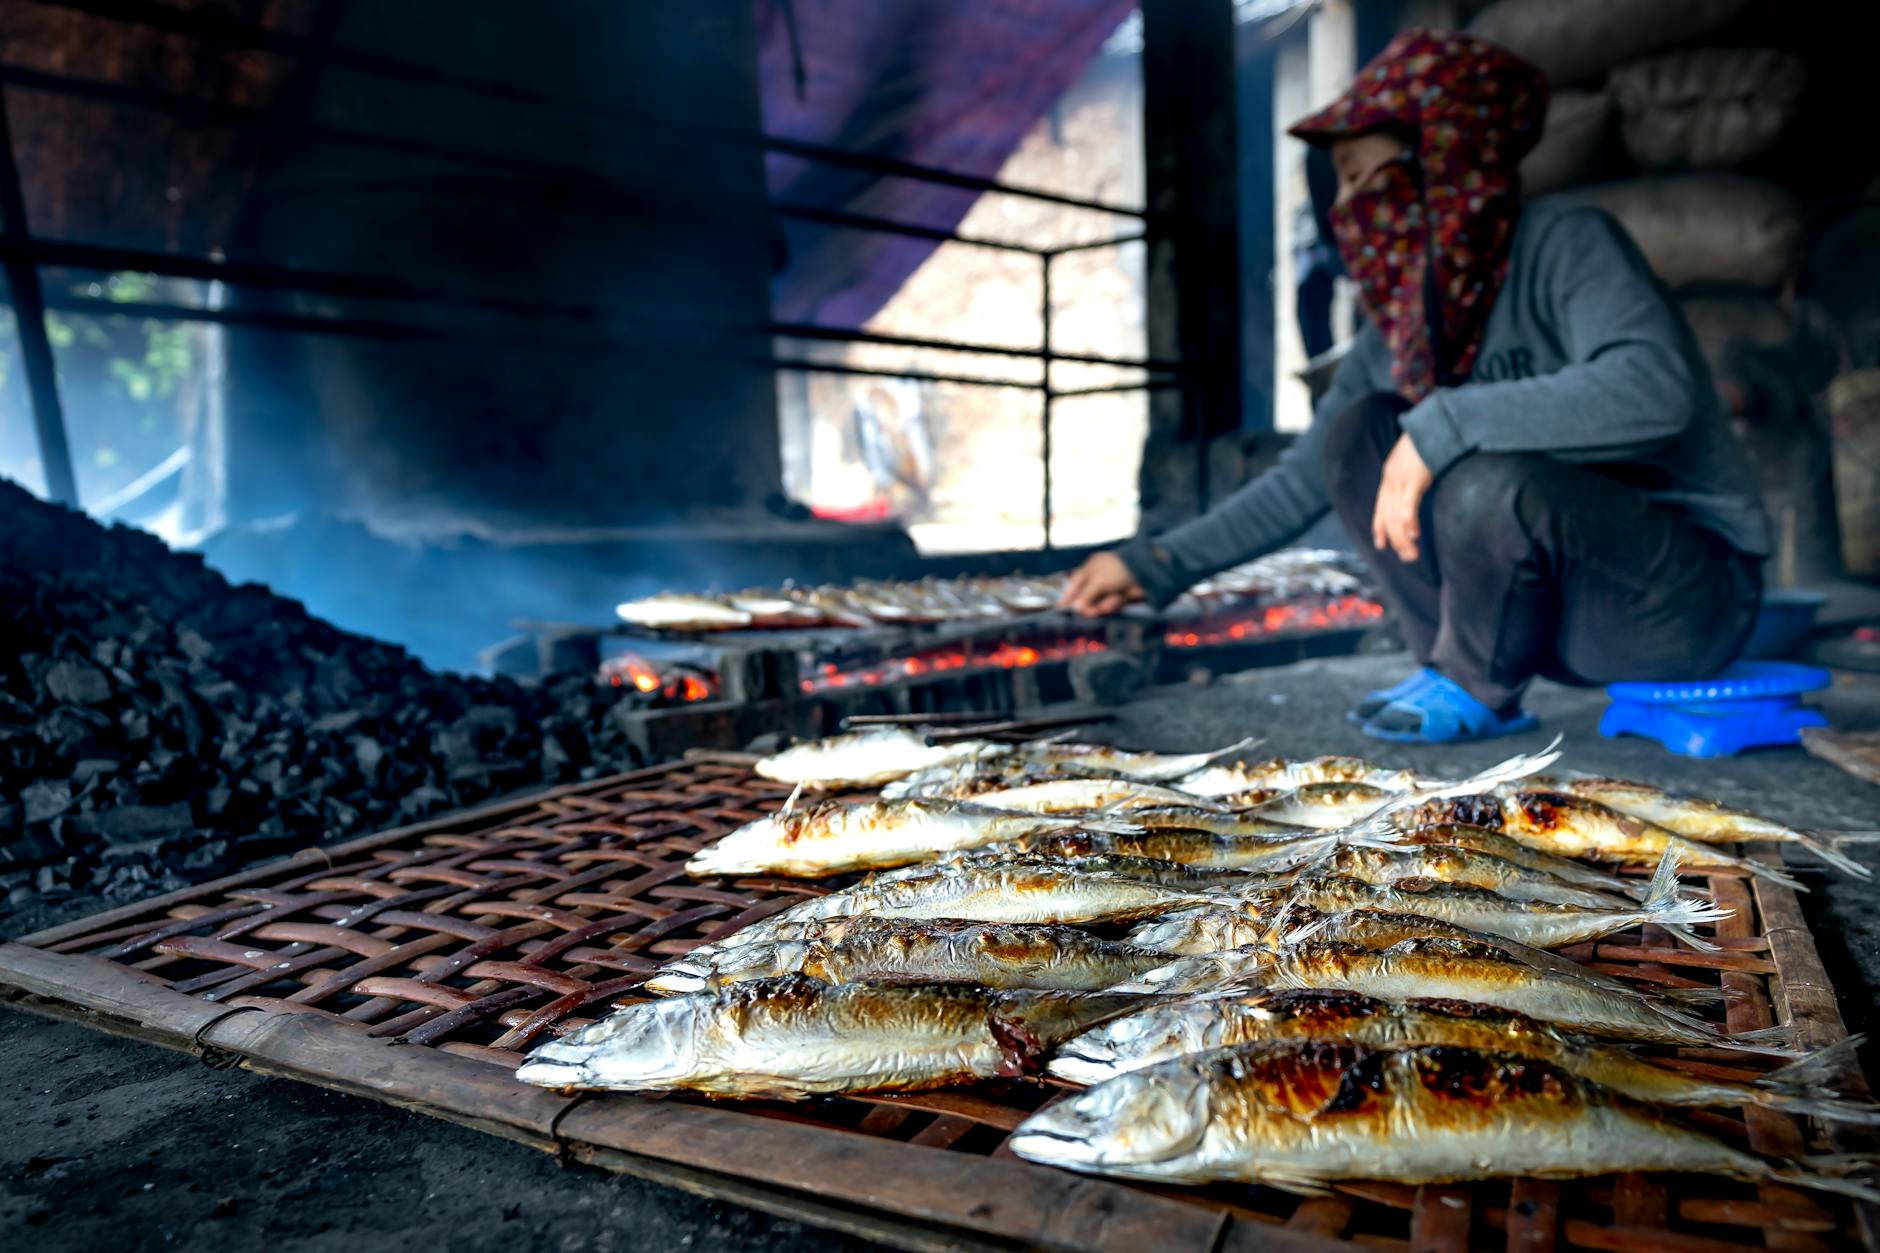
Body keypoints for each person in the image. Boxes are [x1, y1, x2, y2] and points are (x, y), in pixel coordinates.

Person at [1060, 30, 1769, 744]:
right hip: (1563, 617)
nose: (1349, 206)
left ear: (1443, 161)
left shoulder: (1565, 244)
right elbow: (1304, 476)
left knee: (1485, 479)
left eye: (1361, 174)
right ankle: (1457, 668)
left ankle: (1472, 681)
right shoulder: (1404, 323)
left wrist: (1447, 424)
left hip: (1676, 603)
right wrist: (1155, 562)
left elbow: (1654, 389)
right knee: (1360, 432)